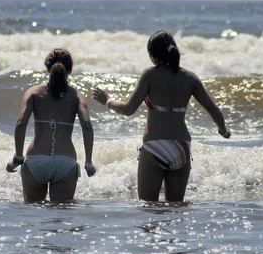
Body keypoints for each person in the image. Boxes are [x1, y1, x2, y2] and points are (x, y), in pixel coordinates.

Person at [92, 30, 231, 203]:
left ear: (153, 56)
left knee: (149, 210)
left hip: (154, 148)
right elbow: (215, 111)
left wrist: (107, 101)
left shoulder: (150, 75)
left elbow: (128, 109)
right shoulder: (190, 78)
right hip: (182, 149)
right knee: (175, 211)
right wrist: (223, 131)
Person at [6, 48, 97, 203]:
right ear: (70, 69)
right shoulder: (76, 96)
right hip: (65, 162)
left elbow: (21, 124)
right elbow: (87, 126)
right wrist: (88, 162)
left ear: (48, 68)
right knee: (61, 219)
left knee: (34, 217)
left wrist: (18, 157)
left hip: (36, 160)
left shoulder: (33, 93)